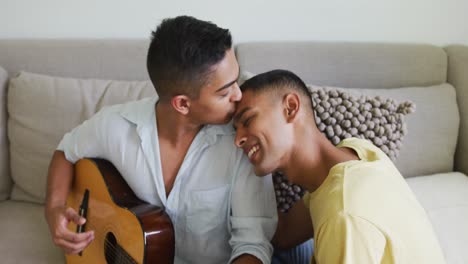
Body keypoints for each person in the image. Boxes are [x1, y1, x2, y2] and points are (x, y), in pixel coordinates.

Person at [45, 16, 277, 264]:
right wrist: (54, 207)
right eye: (225, 91)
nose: (238, 95)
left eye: (236, 80)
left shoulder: (243, 143)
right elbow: (66, 151)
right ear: (182, 104)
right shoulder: (114, 126)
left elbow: (253, 244)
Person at [233, 69, 446, 264]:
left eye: (248, 120)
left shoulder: (343, 214)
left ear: (290, 108)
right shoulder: (355, 153)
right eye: (235, 130)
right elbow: (285, 234)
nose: (237, 140)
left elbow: (342, 213)